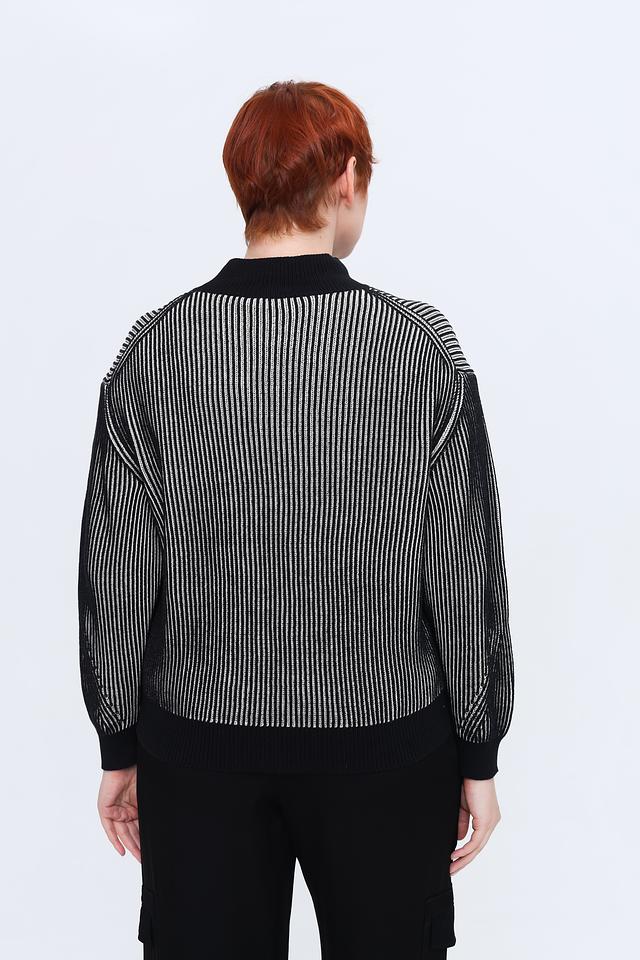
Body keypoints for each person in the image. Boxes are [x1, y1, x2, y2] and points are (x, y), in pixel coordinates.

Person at [78, 79, 515, 959]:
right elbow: (464, 564)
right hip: (388, 748)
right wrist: (479, 752)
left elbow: (116, 568)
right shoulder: (420, 348)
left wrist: (117, 741)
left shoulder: (153, 351)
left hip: (198, 754)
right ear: (347, 178)